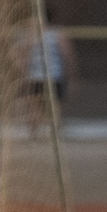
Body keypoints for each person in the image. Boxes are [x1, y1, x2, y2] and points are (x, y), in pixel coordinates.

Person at [24, 8, 75, 136]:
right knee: (53, 108)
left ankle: (35, 134)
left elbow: (24, 54)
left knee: (36, 107)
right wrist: (71, 74)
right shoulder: (57, 34)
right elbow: (68, 55)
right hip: (52, 75)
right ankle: (52, 132)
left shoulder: (34, 34)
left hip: (38, 76)